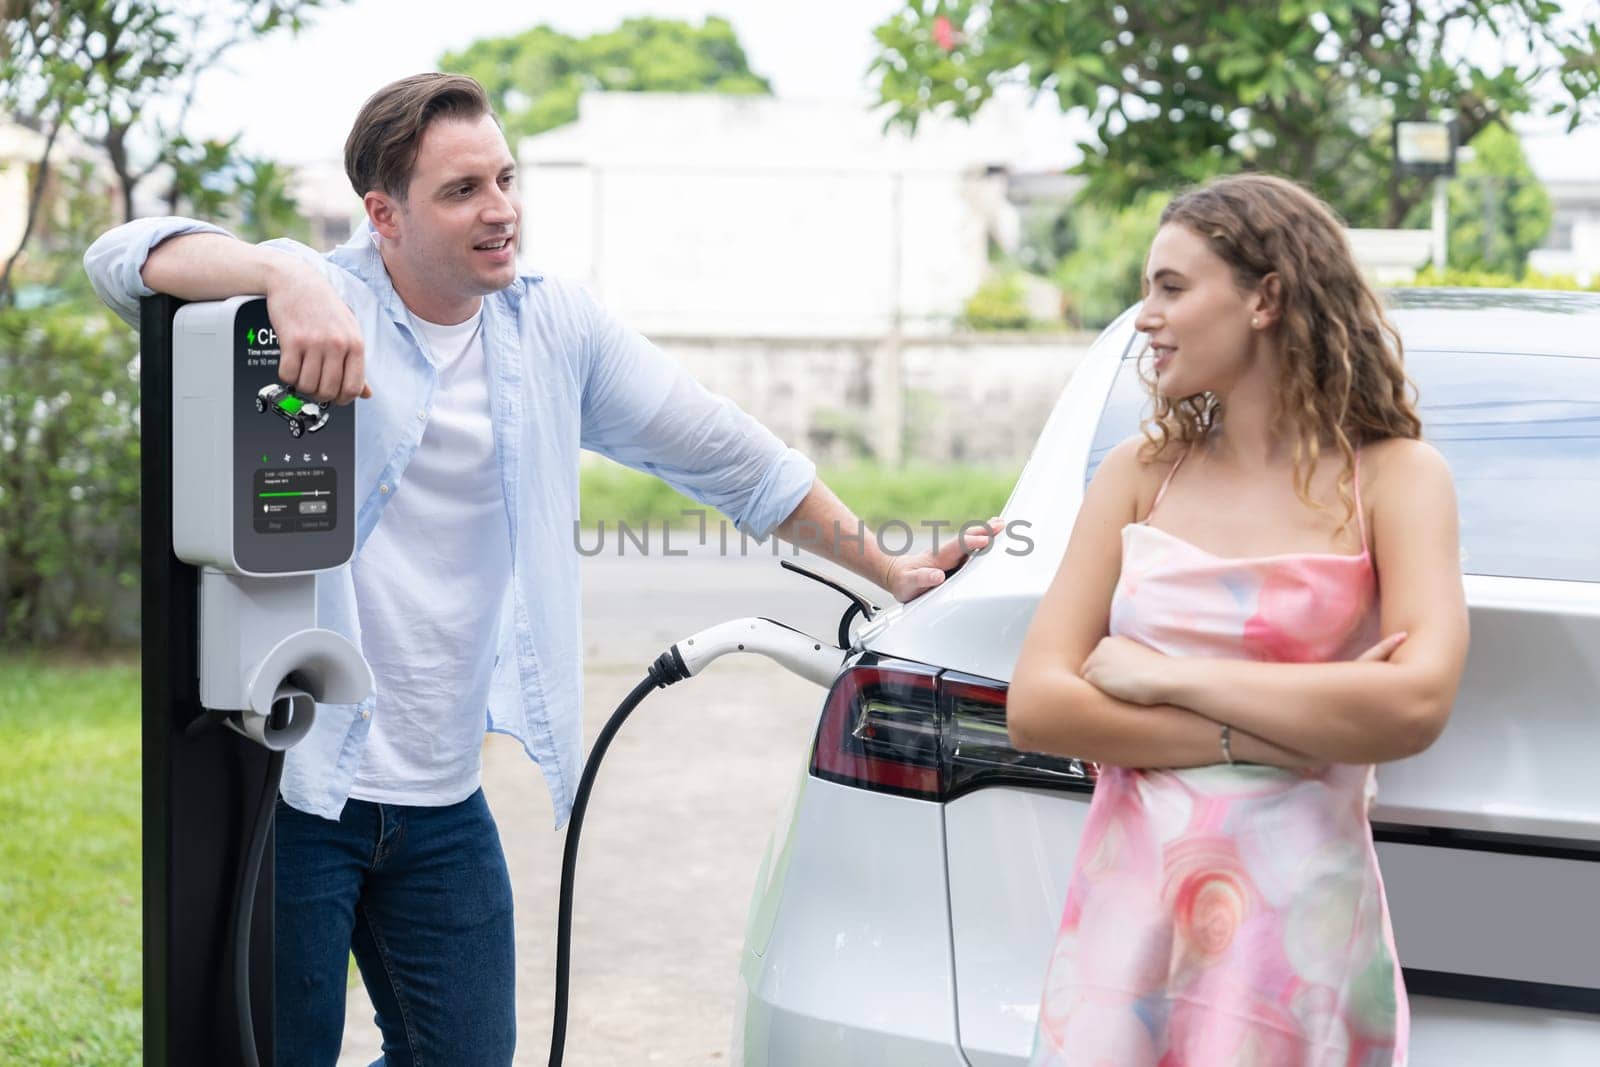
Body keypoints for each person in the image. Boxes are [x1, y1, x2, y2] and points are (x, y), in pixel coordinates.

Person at [85, 73, 998, 1066]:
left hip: (440, 794)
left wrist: (891, 572)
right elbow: (118, 255)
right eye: (463, 189)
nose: (500, 209)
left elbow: (730, 456)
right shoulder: (326, 300)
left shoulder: (553, 328)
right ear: (383, 215)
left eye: (505, 178)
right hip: (305, 785)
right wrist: (281, 270)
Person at [1006, 173, 1470, 1066]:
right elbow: (1037, 703)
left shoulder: (1399, 478)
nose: (1145, 316)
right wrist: (1275, 731)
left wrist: (1163, 675)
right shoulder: (1143, 471)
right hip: (1130, 923)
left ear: (1267, 297)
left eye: (1172, 287)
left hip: (1295, 941)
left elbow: (1413, 706)